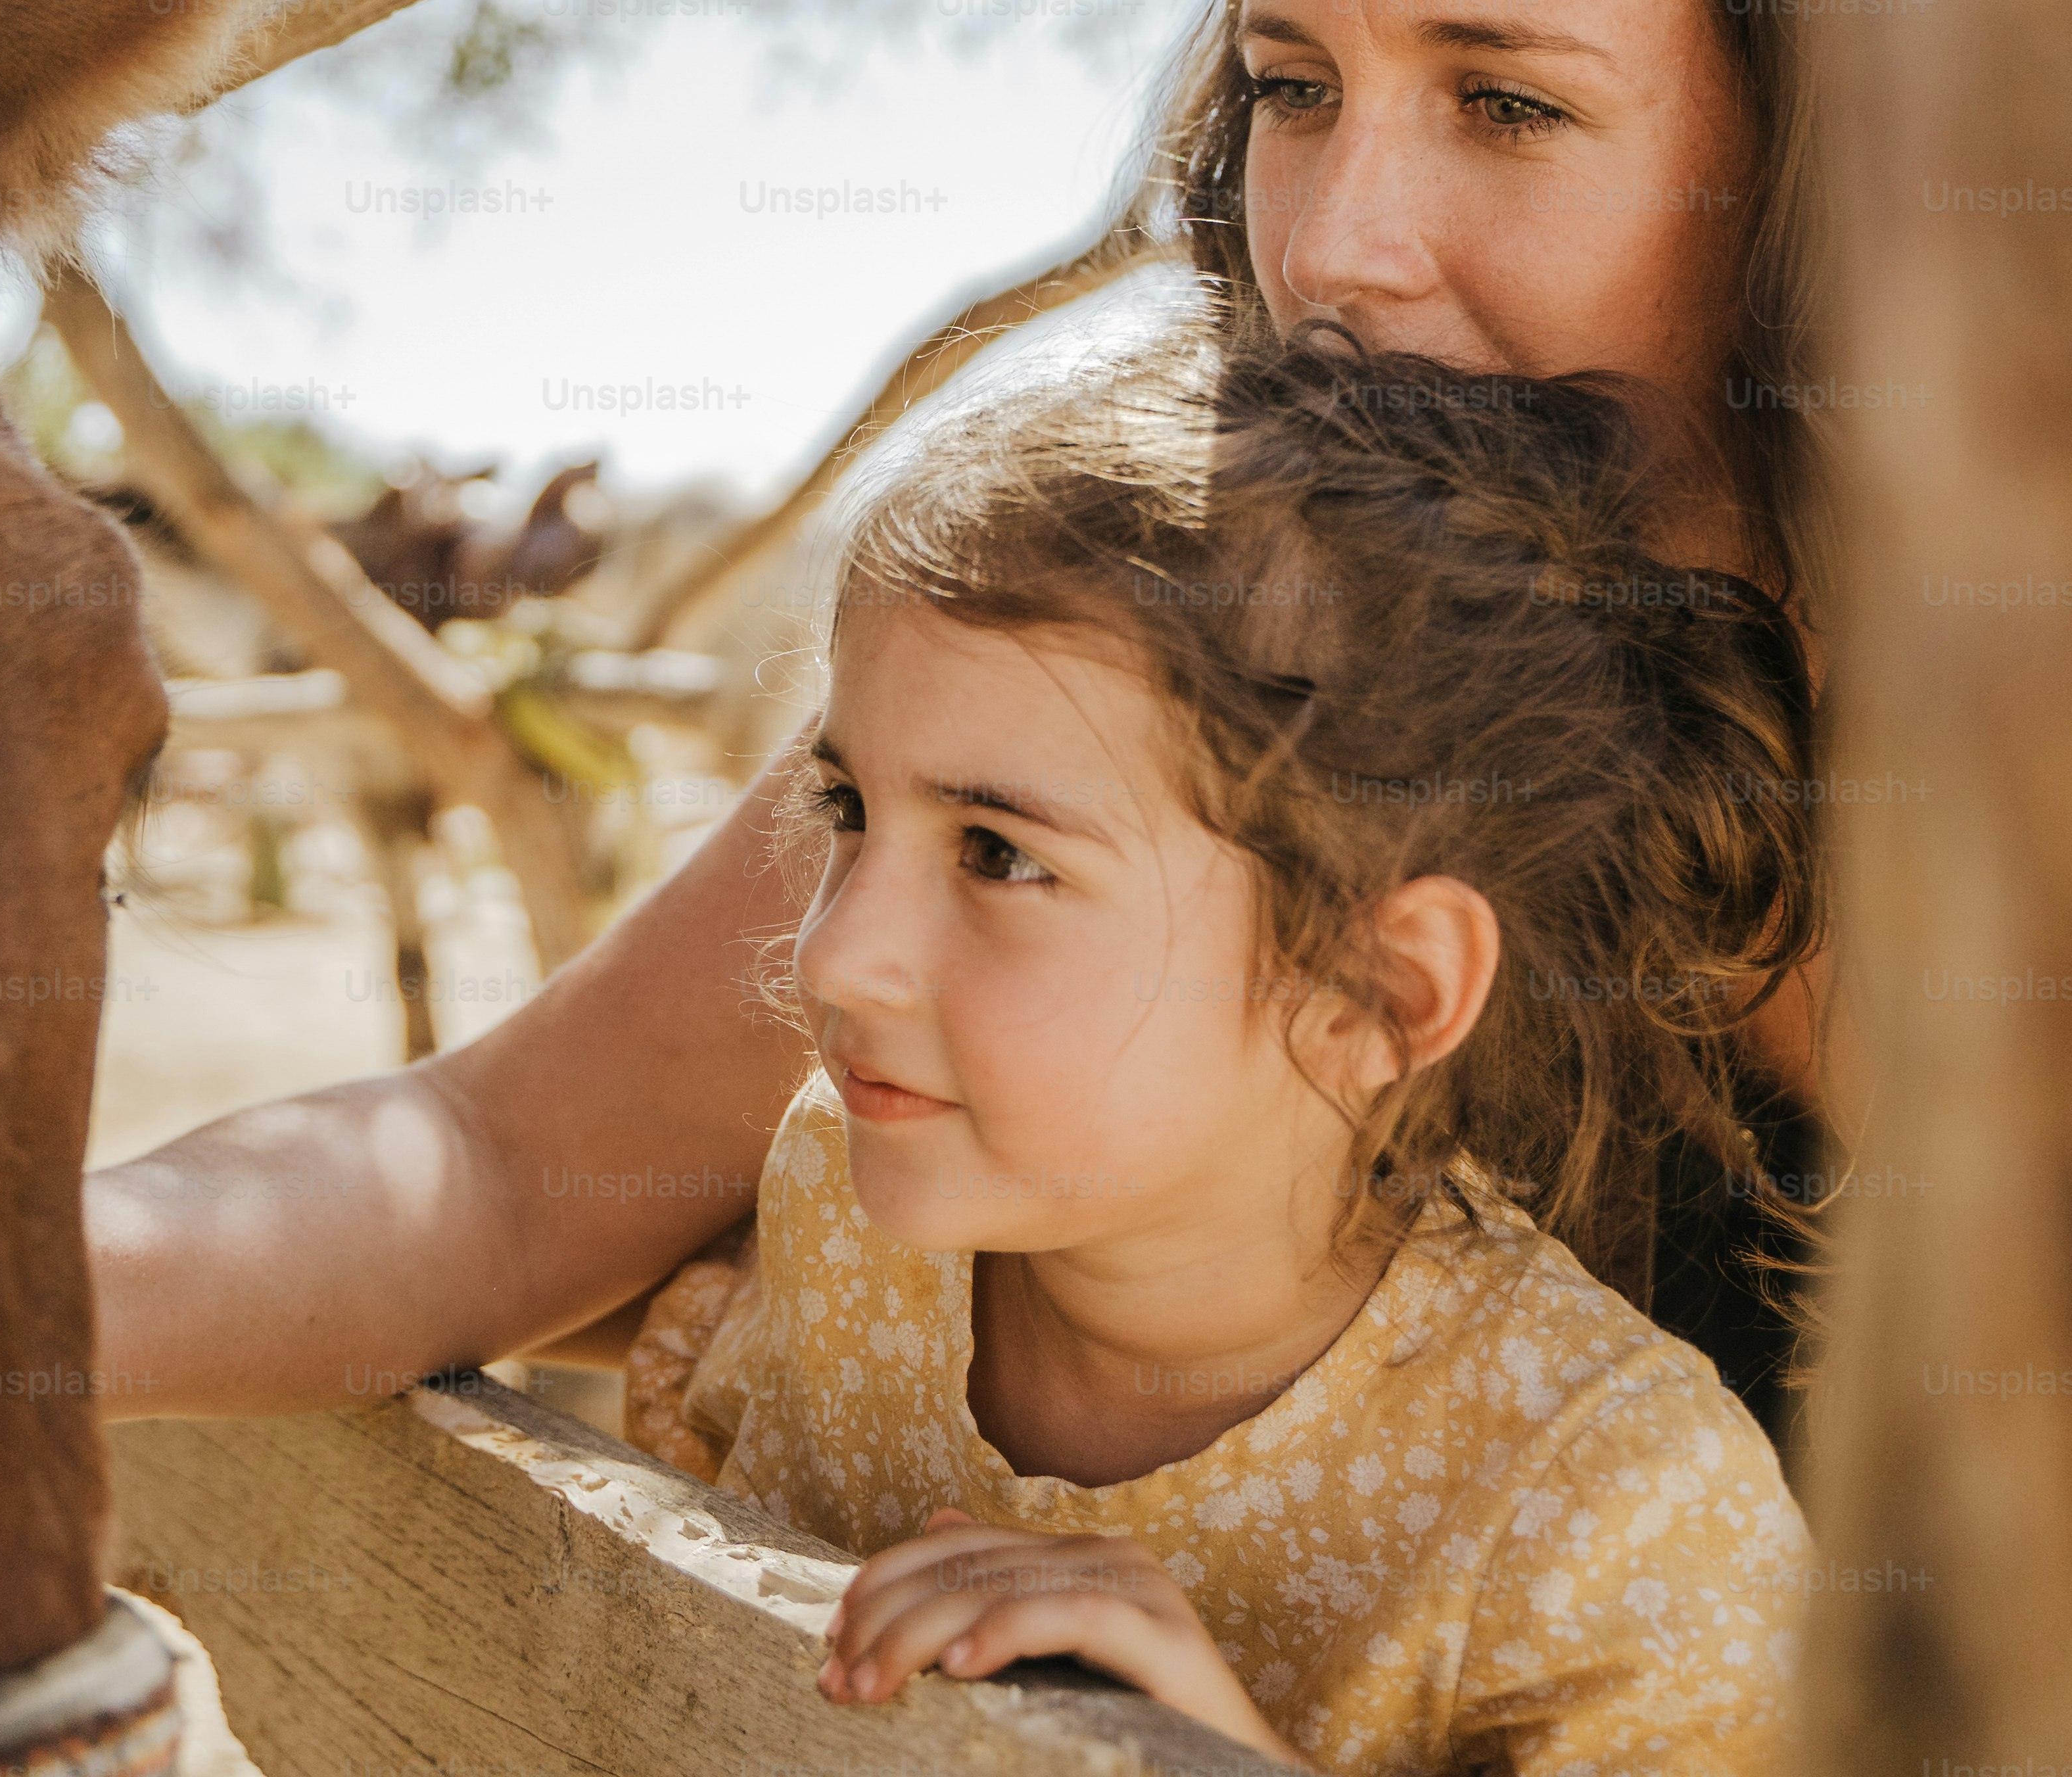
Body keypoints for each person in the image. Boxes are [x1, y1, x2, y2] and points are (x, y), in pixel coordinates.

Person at [85, 0, 1837, 1440]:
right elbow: (502, 1173)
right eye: (1291, 87)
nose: (1335, 251)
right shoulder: (1170, 621)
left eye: (1507, 106)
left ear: (1823, 160)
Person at [655, 330, 1813, 1770]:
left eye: (999, 852)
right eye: (847, 810)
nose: (835, 953)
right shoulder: (840, 1205)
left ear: (1376, 987)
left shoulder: (1612, 1509)